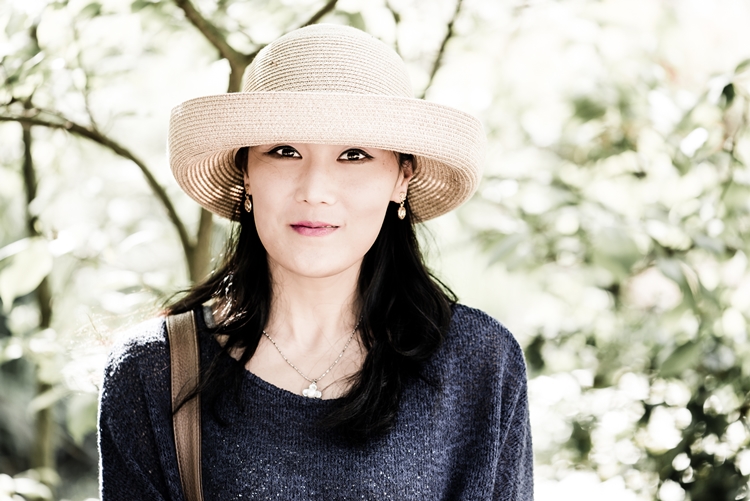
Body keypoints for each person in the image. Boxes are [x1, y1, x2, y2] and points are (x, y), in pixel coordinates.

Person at [98, 23, 533, 500]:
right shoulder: (154, 370)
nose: (315, 191)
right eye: (285, 152)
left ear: (402, 178)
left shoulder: (479, 363)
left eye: (354, 155)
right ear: (246, 171)